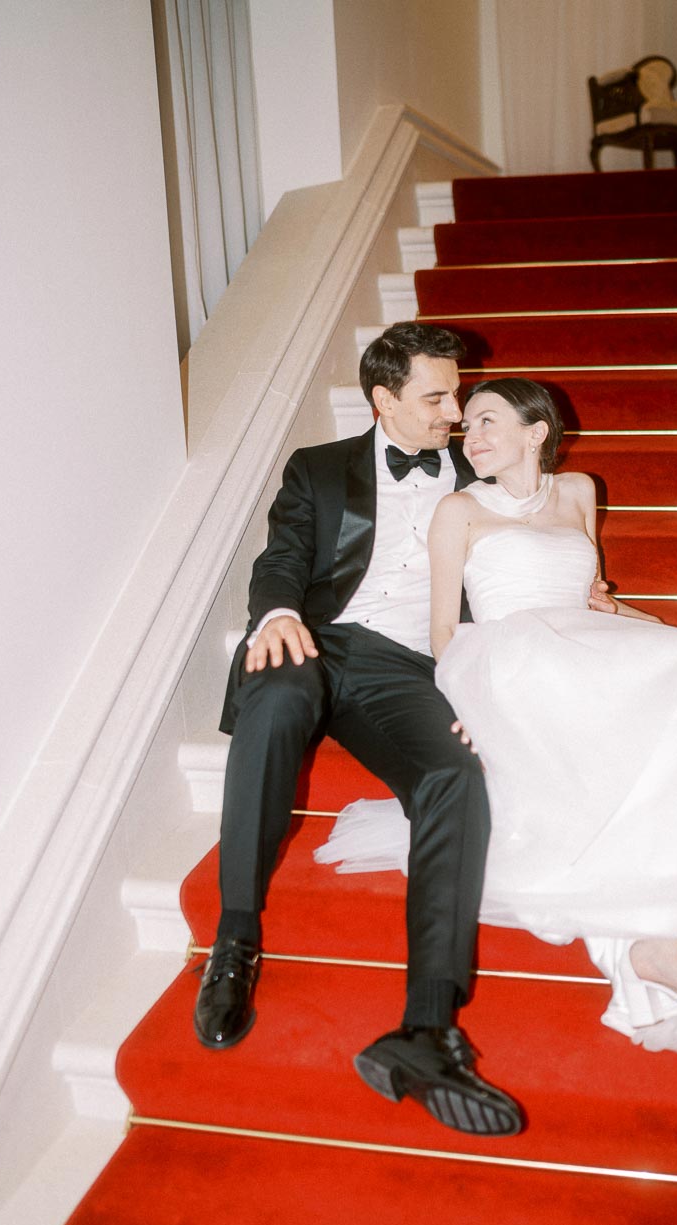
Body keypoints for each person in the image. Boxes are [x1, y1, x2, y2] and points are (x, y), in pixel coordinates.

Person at [316, 377, 677, 1064]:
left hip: (581, 641)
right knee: (599, 704)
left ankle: (665, 929)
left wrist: (620, 611)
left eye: (488, 421)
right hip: (509, 654)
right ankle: (656, 945)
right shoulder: (458, 511)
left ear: (536, 433)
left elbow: (590, 595)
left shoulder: (580, 490)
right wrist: (463, 703)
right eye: (467, 423)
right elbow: (444, 628)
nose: (471, 435)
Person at [194, 324, 526, 1139]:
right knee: (274, 701)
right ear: (383, 400)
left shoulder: (476, 469)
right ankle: (234, 942)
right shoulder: (319, 467)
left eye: (458, 394)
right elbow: (283, 559)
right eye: (436, 397)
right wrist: (274, 613)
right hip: (318, 636)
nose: (457, 413)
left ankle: (427, 1030)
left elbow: (522, 560)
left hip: (408, 666)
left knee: (455, 774)